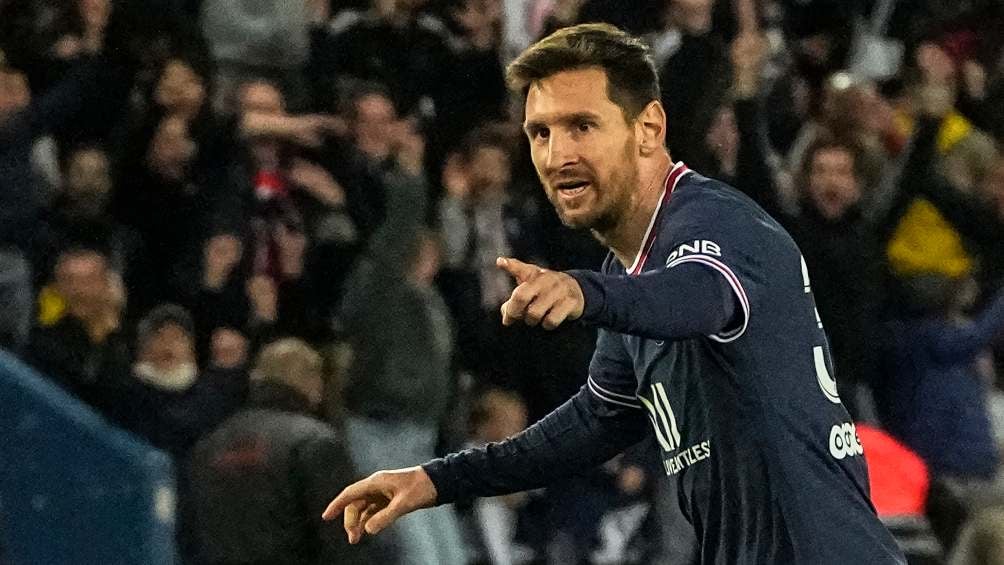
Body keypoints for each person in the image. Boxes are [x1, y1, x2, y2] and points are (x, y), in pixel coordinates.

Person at [322, 23, 905, 563]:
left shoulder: (718, 223)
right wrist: (435, 480)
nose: (558, 156)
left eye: (582, 126)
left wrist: (585, 291)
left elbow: (698, 297)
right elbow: (591, 423)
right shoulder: (633, 270)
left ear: (648, 128)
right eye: (540, 133)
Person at [187, 338, 381, 565]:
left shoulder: (210, 444)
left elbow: (192, 532)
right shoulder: (315, 443)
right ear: (312, 382)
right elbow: (344, 537)